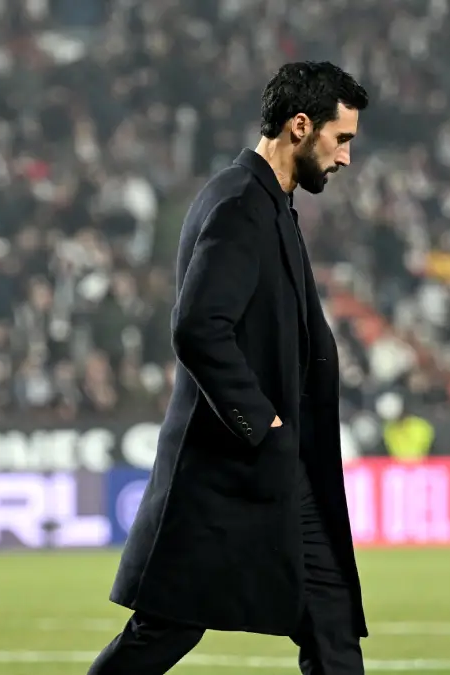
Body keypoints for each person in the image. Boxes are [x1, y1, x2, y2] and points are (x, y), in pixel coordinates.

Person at [88, 61, 370, 675]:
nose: (347, 157)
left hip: (269, 465)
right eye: (341, 138)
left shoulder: (262, 201)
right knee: (166, 629)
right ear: (301, 125)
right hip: (234, 465)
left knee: (330, 623)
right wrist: (263, 423)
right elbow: (198, 326)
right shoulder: (243, 204)